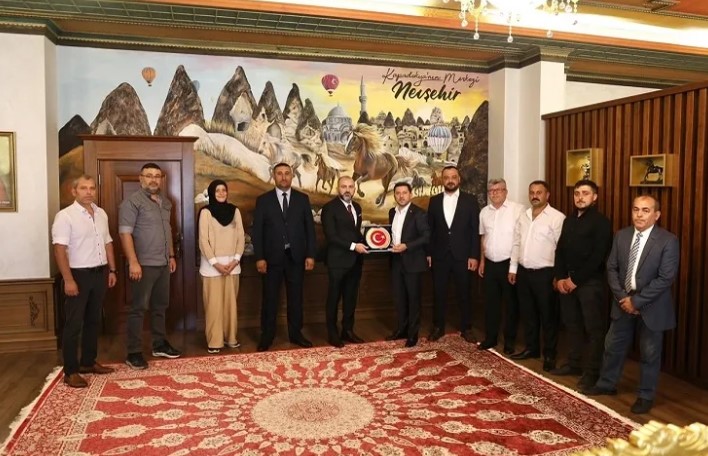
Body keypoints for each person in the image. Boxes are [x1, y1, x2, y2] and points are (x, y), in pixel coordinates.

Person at [583, 195, 679, 415]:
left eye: (645, 210)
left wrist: (636, 301)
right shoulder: (622, 235)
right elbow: (611, 268)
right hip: (622, 302)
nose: (639, 215)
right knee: (612, 347)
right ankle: (606, 384)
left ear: (656, 215)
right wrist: (622, 297)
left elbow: (666, 278)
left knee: (649, 354)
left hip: (651, 306)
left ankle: (645, 396)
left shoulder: (668, 240)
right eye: (636, 209)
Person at [52, 175, 117, 388]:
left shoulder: (101, 214)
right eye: (83, 188)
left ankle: (88, 362)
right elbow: (59, 249)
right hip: (78, 275)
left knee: (93, 320)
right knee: (73, 324)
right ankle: (71, 371)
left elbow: (107, 242)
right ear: (74, 191)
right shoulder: (65, 216)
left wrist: (112, 269)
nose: (88, 192)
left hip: (100, 273)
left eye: (92, 188)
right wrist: (68, 280)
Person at [119, 163, 181, 370]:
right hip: (143, 265)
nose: (153, 179)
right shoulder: (131, 203)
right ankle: (134, 352)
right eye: (149, 175)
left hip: (163, 263)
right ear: (141, 178)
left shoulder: (165, 202)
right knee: (138, 308)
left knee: (160, 306)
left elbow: (167, 230)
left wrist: (171, 255)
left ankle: (159, 344)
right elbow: (125, 233)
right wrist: (133, 262)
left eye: (157, 176)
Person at [551, 180, 612, 389]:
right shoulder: (569, 220)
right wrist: (560, 277)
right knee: (572, 324)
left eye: (585, 193)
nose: (580, 197)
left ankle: (592, 372)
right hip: (566, 282)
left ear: (594, 197)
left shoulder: (601, 222)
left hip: (589, 283)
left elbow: (598, 257)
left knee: (593, 329)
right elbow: (560, 250)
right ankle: (574, 363)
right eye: (577, 193)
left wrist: (575, 280)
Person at [252, 162, 316, 352]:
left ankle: (296, 334)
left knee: (296, 299)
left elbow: (310, 230)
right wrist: (259, 257)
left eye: (287, 173)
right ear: (274, 176)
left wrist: (310, 255)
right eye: (279, 173)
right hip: (271, 259)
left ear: (292, 176)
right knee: (270, 299)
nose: (283, 177)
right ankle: (267, 336)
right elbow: (257, 232)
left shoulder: (302, 199)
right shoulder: (263, 200)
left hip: (296, 258)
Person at [509, 180, 565, 372]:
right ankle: (531, 348)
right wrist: (513, 268)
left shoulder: (557, 218)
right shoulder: (523, 216)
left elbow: (561, 249)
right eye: (532, 192)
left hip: (546, 274)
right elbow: (516, 242)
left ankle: (549, 354)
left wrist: (558, 275)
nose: (535, 195)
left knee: (548, 316)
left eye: (539, 192)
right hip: (524, 273)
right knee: (528, 314)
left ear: (547, 195)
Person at [426, 165, 480, 343]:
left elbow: (474, 230)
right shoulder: (434, 201)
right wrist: (429, 253)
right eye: (446, 177)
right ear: (442, 180)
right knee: (438, 293)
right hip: (440, 256)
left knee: (464, 293)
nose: (450, 180)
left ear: (459, 179)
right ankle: (438, 327)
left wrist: (474, 255)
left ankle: (466, 328)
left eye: (453, 177)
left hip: (463, 256)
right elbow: (430, 230)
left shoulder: (470, 200)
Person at [198, 180, 245, 354]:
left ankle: (230, 338)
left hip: (233, 266)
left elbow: (241, 237)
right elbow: (203, 240)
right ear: (212, 192)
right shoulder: (205, 212)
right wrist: (215, 263)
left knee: (230, 305)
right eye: (217, 190)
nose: (221, 193)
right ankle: (215, 341)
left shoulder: (235, 211)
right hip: (212, 268)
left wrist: (236, 259)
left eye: (224, 190)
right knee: (214, 306)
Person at [477, 178, 524, 354]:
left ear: (506, 191)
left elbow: (519, 239)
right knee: (491, 304)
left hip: (509, 264)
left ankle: (509, 341)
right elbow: (483, 238)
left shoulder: (518, 210)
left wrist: (513, 267)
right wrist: (482, 261)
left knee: (511, 305)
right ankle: (491, 338)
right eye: (491, 190)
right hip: (490, 264)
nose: (495, 193)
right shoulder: (484, 212)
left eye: (499, 190)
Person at [321, 176, 368, 348]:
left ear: (354, 189)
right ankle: (332, 333)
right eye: (343, 186)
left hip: (355, 261)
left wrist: (373, 241)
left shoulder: (357, 207)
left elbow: (355, 233)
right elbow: (331, 236)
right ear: (337, 188)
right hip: (337, 261)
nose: (347, 190)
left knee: (350, 298)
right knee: (334, 298)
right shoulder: (329, 208)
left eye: (350, 186)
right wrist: (354, 246)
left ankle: (347, 331)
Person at [387, 182, 430, 347]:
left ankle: (413, 335)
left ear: (410, 194)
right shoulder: (392, 212)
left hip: (413, 261)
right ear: (394, 195)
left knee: (413, 299)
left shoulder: (419, 213)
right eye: (398, 193)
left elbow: (426, 236)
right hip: (396, 261)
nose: (401, 196)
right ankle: (401, 330)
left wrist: (407, 246)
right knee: (399, 299)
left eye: (404, 193)